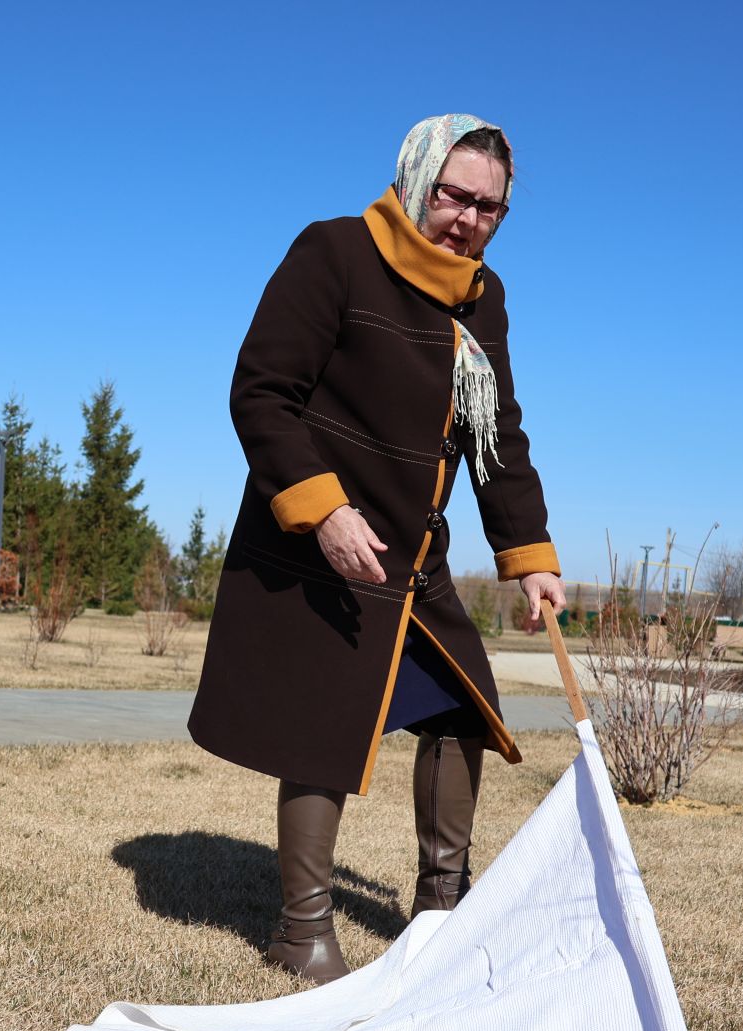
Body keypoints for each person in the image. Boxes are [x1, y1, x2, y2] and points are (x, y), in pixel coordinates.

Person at [188, 113, 567, 983]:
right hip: (323, 548)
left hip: (416, 559)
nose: (468, 220)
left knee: (459, 705)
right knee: (324, 721)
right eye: (454, 196)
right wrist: (323, 511)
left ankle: (439, 916)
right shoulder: (335, 254)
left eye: (490, 207)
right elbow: (261, 394)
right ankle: (302, 932)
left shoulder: (483, 297)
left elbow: (495, 433)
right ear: (417, 176)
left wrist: (529, 550)